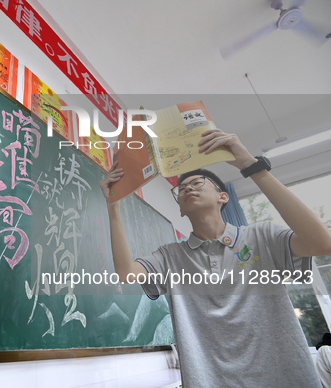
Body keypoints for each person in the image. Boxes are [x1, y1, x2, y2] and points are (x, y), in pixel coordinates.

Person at [100, 128, 331, 387]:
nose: (187, 188)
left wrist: (251, 167)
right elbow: (126, 274)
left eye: (197, 183)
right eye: (181, 189)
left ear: (223, 196)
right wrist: (114, 207)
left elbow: (322, 244)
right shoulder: (170, 256)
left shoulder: (262, 236)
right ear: (180, 210)